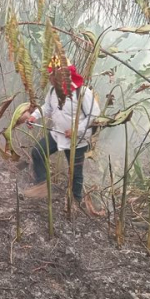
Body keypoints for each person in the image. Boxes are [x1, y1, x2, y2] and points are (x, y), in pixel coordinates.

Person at [23, 56, 100, 205]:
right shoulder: (53, 91)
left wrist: (76, 130)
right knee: (38, 152)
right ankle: (42, 187)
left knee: (75, 173)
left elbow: (94, 115)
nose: (50, 78)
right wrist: (34, 116)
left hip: (77, 140)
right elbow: (47, 107)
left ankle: (76, 203)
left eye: (51, 75)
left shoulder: (82, 92)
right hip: (57, 134)